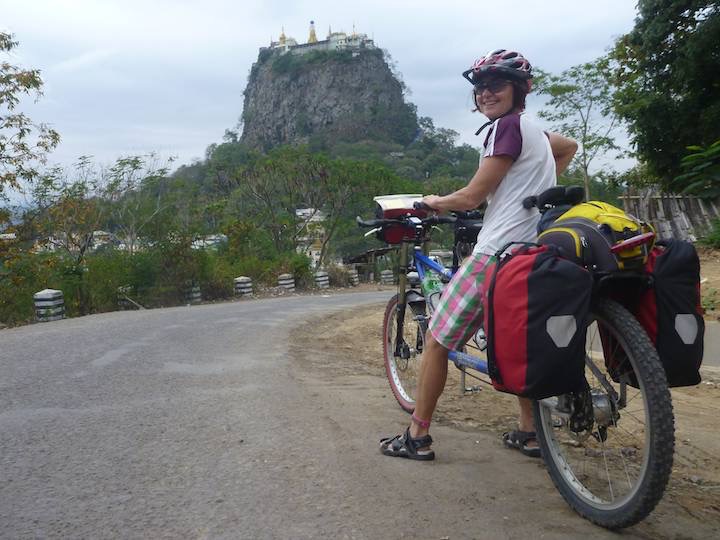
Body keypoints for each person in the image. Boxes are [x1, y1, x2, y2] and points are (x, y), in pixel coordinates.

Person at [380, 49, 578, 460]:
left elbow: (472, 195)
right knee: (511, 339)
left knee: (436, 339)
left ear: (519, 89)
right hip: (534, 251)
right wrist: (535, 193)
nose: (486, 94)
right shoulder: (534, 130)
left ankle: (417, 436)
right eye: (481, 87)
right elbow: (569, 146)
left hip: (496, 255)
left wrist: (434, 201)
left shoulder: (504, 128)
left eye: (497, 85)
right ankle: (528, 431)